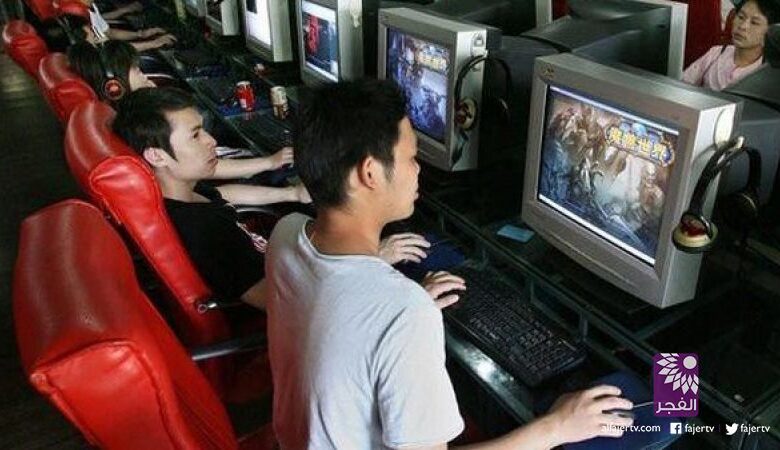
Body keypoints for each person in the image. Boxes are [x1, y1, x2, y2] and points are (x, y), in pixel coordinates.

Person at [265, 79, 634, 449]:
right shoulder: (401, 312)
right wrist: (557, 427)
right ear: (370, 173)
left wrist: (392, 303)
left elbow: (332, 298)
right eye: (411, 157)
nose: (418, 169)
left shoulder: (285, 234)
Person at [112, 87, 312, 308]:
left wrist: (292, 193)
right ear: (157, 156)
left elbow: (224, 194)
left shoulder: (181, 194)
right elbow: (277, 302)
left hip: (269, 260)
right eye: (195, 135)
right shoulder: (205, 229)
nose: (211, 141)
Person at [683, 0, 779, 91]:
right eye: (741, 17)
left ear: (771, 31)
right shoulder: (716, 53)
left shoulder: (769, 70)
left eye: (754, 23)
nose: (742, 26)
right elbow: (684, 84)